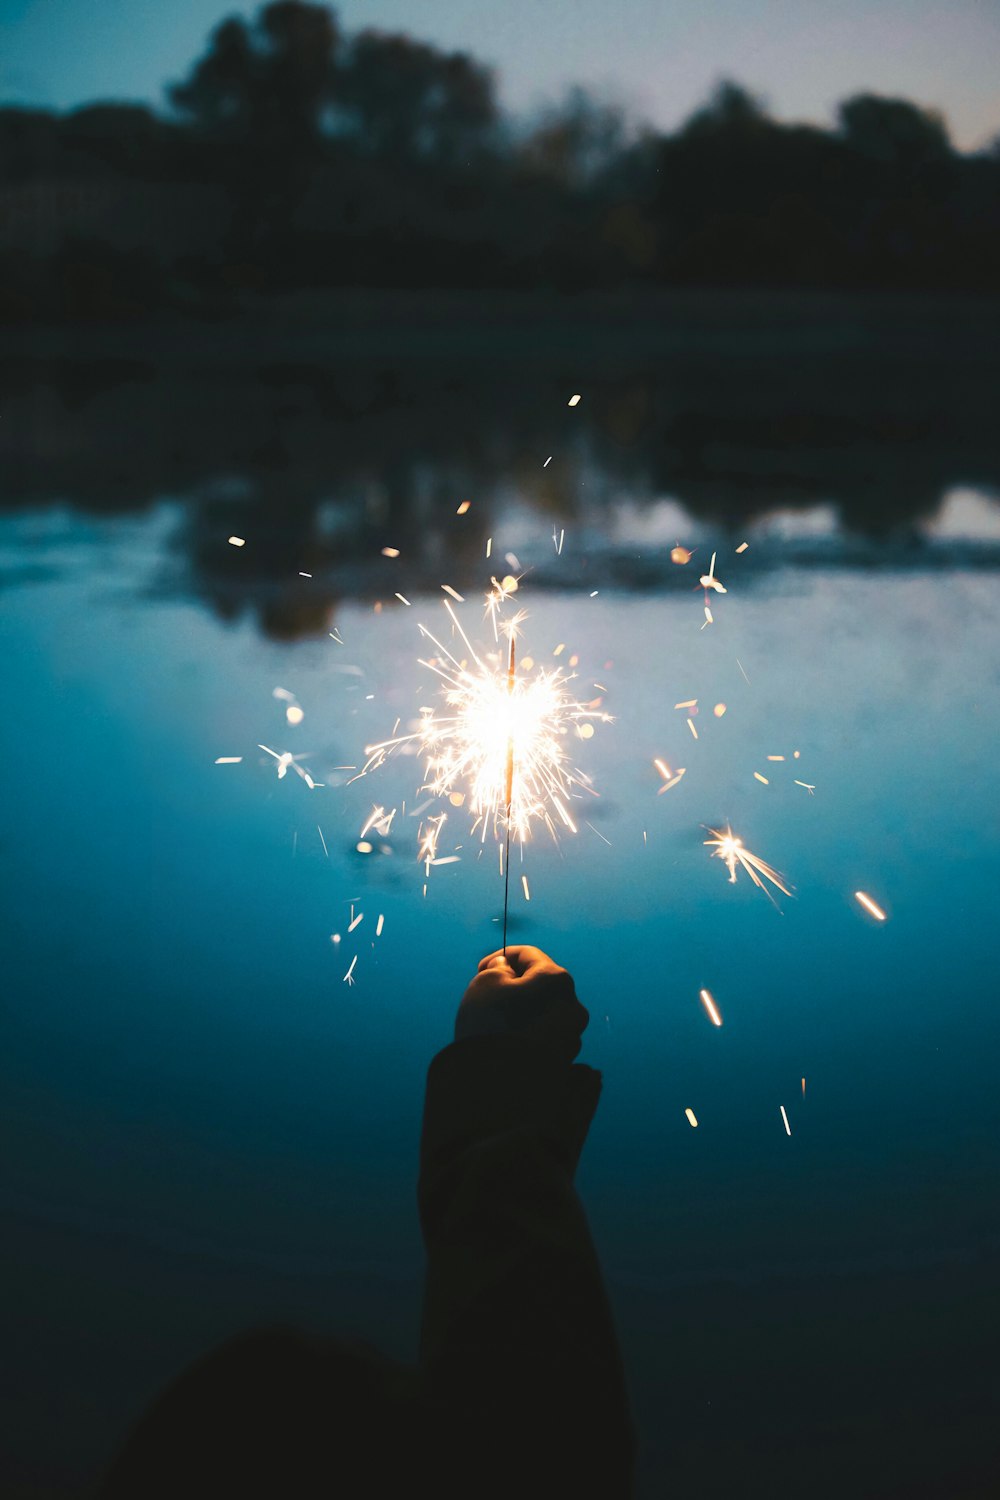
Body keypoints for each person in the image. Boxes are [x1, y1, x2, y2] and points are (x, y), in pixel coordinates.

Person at [97, 945, 634, 1498]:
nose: (407, 1370)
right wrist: (501, 1068)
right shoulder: (500, 1465)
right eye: (402, 1393)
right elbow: (535, 1443)